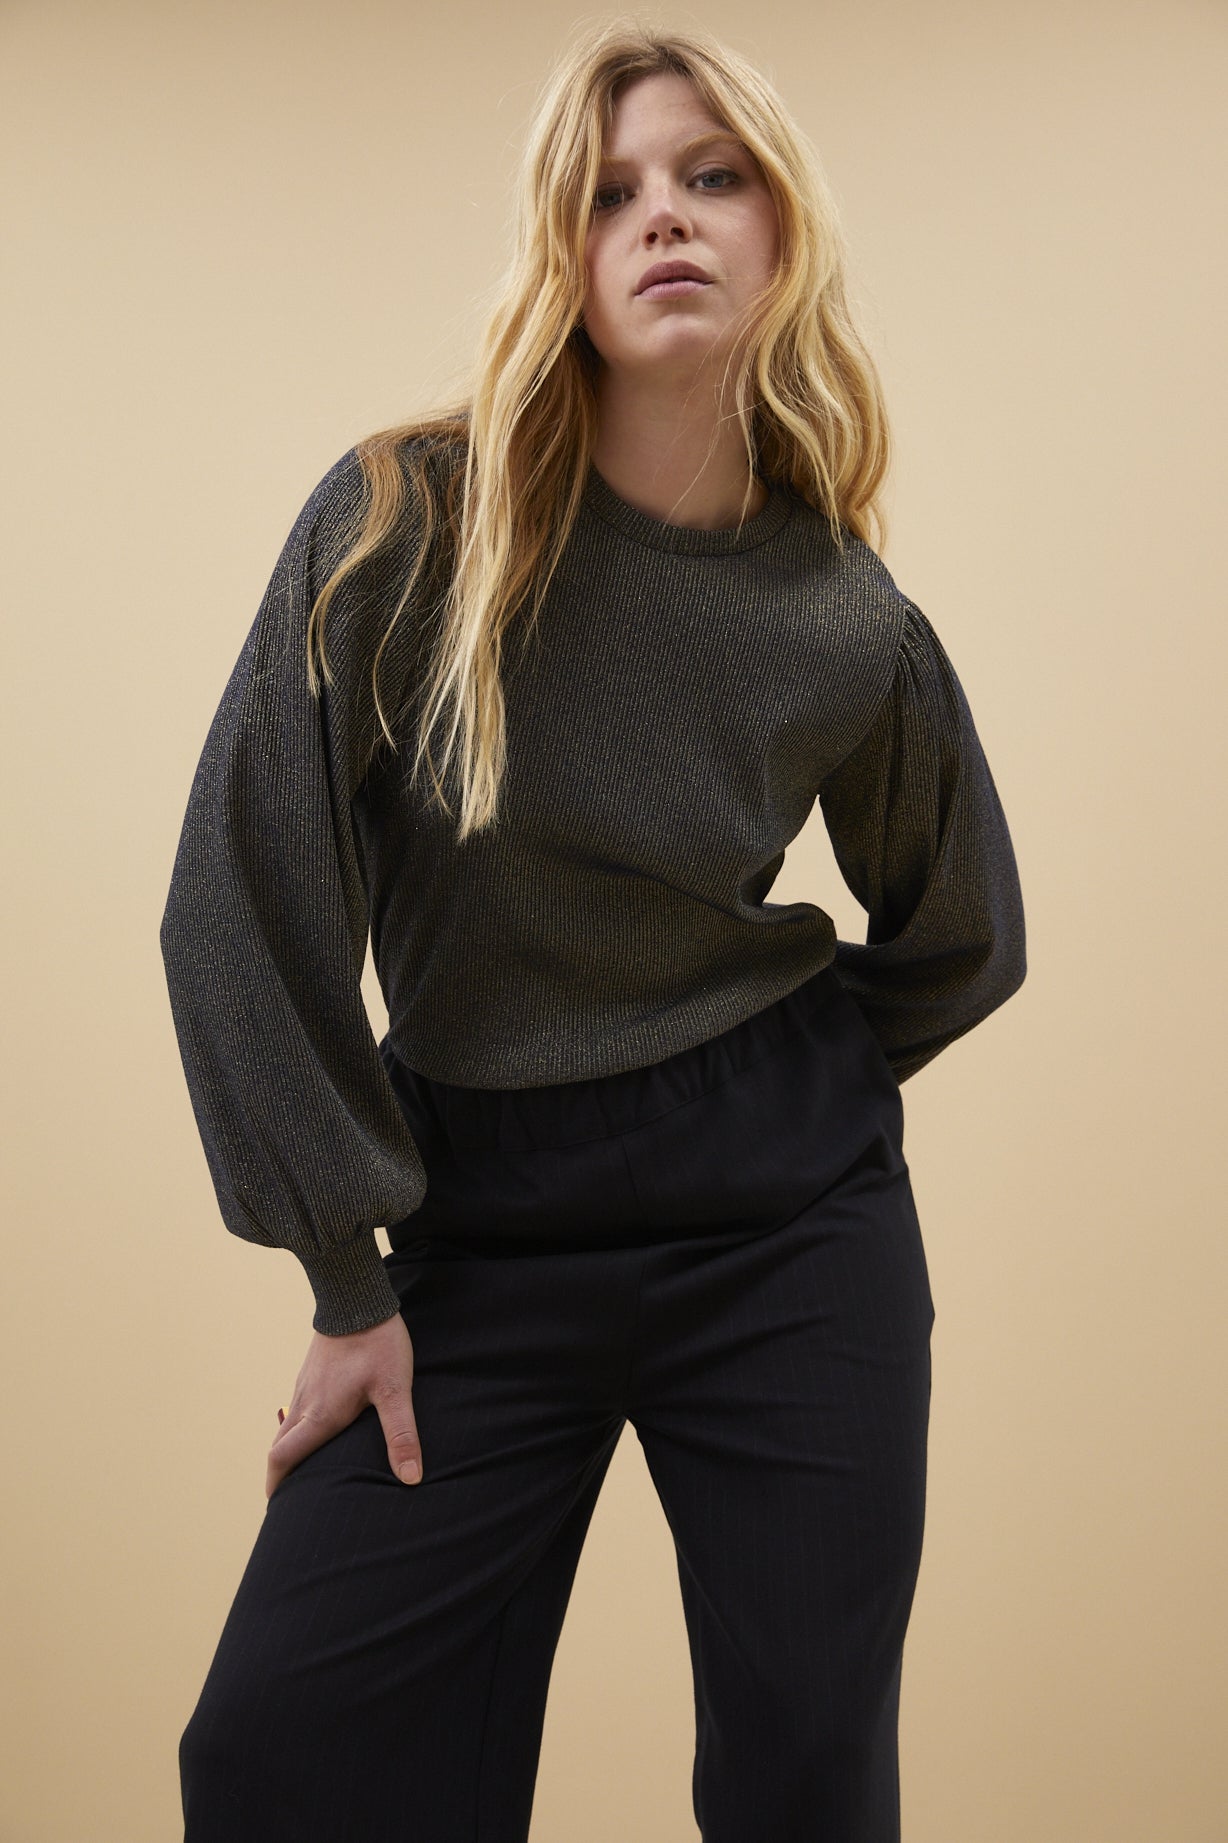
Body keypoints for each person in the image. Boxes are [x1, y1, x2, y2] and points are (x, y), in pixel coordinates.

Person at [159, 19, 1026, 1842]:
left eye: (712, 178)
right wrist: (347, 1281)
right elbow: (239, 890)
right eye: (611, 193)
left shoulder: (842, 615)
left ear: (781, 232)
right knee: (279, 1758)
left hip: (789, 1234)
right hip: (480, 1229)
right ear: (561, 253)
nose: (666, 218)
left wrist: (772, 1082)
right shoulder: (406, 524)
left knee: (807, 1790)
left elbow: (966, 929)